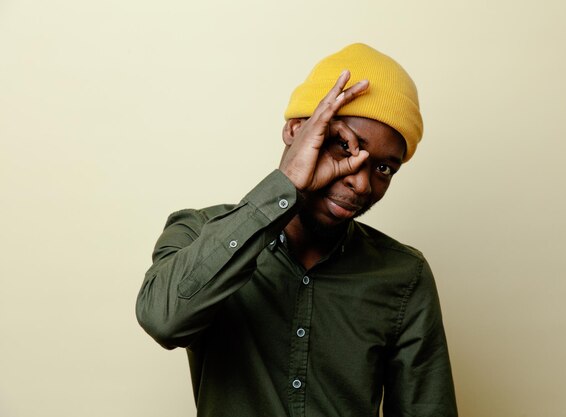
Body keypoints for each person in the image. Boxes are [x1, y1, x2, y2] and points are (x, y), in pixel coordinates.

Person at [136, 43, 457, 417]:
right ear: (296, 130)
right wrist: (286, 182)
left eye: (384, 168)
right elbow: (162, 320)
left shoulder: (404, 275)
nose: (362, 183)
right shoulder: (199, 233)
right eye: (344, 146)